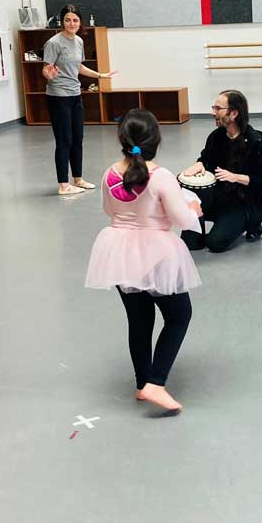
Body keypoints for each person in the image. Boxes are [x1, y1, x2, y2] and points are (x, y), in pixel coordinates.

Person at [85, 109, 202, 414]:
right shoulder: (161, 177)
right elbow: (182, 220)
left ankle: (141, 383)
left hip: (120, 253)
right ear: (156, 140)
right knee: (179, 316)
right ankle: (156, 383)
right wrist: (194, 208)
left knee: (139, 320)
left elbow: (108, 210)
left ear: (121, 139)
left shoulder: (109, 173)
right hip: (157, 254)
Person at [181, 90, 262, 252]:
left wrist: (235, 177)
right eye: (213, 107)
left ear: (234, 113)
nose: (213, 113)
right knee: (190, 242)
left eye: (218, 108)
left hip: (242, 204)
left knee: (214, 243)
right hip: (219, 196)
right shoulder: (216, 137)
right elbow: (205, 159)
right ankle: (222, 224)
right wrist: (199, 164)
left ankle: (251, 223)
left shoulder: (254, 141)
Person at [42, 4, 116, 196]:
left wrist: (101, 75)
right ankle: (63, 185)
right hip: (58, 96)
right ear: (62, 21)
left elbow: (79, 67)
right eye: (67, 20)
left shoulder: (79, 41)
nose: (71, 23)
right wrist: (49, 76)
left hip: (75, 95)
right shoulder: (53, 43)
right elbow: (46, 69)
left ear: (80, 22)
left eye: (75, 20)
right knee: (64, 140)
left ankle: (78, 179)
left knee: (77, 139)